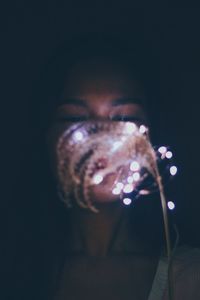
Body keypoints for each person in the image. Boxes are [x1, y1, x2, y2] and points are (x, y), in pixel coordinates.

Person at [10, 33, 200, 300]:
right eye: (75, 117)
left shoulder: (190, 278)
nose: (101, 137)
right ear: (44, 136)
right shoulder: (13, 272)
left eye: (125, 117)